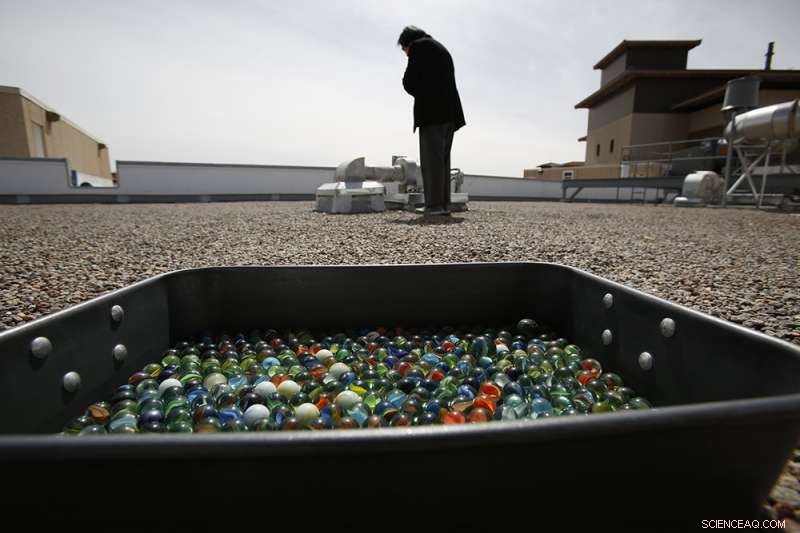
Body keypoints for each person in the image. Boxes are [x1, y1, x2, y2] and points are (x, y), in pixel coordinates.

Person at [398, 26, 465, 216]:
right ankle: (443, 204)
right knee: (443, 161)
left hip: (433, 112)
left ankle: (434, 206)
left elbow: (409, 82)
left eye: (404, 50)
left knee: (431, 161)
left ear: (408, 43)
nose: (406, 55)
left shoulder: (419, 47)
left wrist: (419, 91)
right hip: (451, 114)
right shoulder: (441, 49)